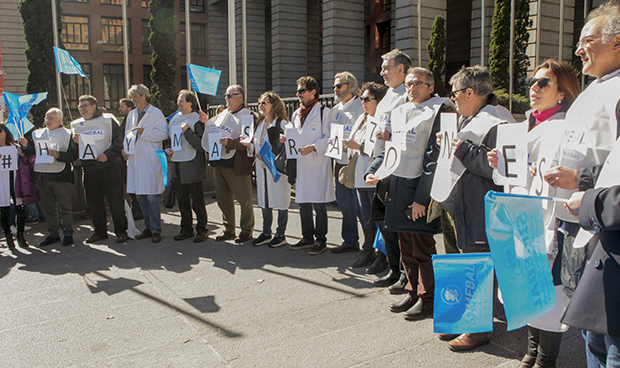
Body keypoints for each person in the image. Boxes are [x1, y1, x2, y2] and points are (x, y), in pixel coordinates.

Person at [487, 59, 581, 368]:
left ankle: (546, 358)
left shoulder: (569, 127)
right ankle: (532, 348)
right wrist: (499, 164)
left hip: (548, 222)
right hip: (521, 219)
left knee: (547, 292)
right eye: (532, 82)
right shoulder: (525, 125)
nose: (534, 88)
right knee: (527, 287)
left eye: (544, 83)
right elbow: (513, 177)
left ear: (562, 93)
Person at [434, 65, 515, 351]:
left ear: (470, 92)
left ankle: (478, 330)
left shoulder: (498, 121)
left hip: (481, 206)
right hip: (460, 202)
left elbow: (500, 170)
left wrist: (462, 149)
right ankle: (461, 317)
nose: (453, 99)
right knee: (462, 262)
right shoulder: (472, 117)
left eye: (455, 93)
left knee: (478, 266)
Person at [558, 2, 620, 366]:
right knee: (589, 329)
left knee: (610, 337)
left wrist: (581, 181)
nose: (579, 49)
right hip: (577, 220)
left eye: (588, 40)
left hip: (606, 226)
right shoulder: (591, 90)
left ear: (616, 43)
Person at [367, 67, 455, 320]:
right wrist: (374, 170)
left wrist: (421, 199)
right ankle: (413, 290)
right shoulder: (401, 111)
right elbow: (392, 149)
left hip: (419, 188)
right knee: (406, 245)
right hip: (397, 186)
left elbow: (433, 158)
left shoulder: (442, 109)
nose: (412, 88)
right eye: (408, 84)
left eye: (418, 83)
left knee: (422, 246)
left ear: (431, 86)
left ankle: (428, 297)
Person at [369, 49, 411, 291]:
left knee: (400, 226)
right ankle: (394, 269)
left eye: (387, 67)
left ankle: (407, 274)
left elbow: (411, 133)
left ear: (401, 69)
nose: (382, 72)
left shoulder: (408, 95)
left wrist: (391, 135)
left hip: (400, 169)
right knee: (386, 223)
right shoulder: (387, 96)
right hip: (383, 166)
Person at [200, 85, 255, 243]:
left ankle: (246, 230)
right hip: (219, 161)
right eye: (226, 96)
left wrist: (230, 142)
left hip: (237, 164)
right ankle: (229, 229)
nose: (227, 99)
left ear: (240, 97)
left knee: (244, 199)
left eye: (230, 96)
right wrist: (206, 123)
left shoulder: (248, 115)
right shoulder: (223, 114)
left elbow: (248, 140)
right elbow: (213, 129)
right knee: (223, 198)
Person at [286, 76, 335, 255]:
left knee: (319, 204)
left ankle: (321, 240)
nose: (298, 94)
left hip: (317, 163)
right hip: (301, 164)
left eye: (301, 91)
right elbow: (294, 135)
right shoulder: (295, 114)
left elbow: (329, 137)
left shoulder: (324, 112)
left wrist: (314, 147)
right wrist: (287, 138)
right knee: (303, 202)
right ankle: (307, 237)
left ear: (313, 92)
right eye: (297, 91)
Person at [71, 95, 128, 243]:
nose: (81, 108)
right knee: (94, 204)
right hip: (89, 169)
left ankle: (121, 231)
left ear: (94, 106)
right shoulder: (76, 124)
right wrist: (75, 142)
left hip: (110, 167)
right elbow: (73, 150)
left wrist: (107, 155)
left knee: (116, 202)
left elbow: (119, 140)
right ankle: (100, 232)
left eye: (85, 105)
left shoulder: (108, 119)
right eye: (80, 106)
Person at [345, 82, 388, 268]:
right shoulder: (362, 118)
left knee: (378, 218)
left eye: (367, 99)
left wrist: (358, 147)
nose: (363, 102)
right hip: (360, 173)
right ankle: (368, 250)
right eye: (362, 98)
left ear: (378, 101)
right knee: (364, 217)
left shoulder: (382, 120)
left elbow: (381, 149)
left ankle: (382, 255)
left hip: (374, 174)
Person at [20, 108, 79, 247]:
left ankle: (68, 233)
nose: (48, 121)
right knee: (48, 208)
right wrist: (24, 145)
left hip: (60, 175)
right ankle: (53, 234)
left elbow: (73, 155)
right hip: (43, 175)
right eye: (47, 118)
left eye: (52, 118)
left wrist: (59, 155)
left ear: (60, 120)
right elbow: (31, 152)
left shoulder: (68, 134)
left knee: (65, 207)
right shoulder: (37, 134)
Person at [123, 84, 168, 243]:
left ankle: (156, 229)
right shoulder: (132, 114)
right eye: (131, 97)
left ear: (144, 96)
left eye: (135, 96)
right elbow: (128, 134)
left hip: (149, 160)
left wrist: (144, 132)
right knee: (140, 197)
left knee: (152, 197)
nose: (133, 100)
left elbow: (164, 133)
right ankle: (148, 227)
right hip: (135, 160)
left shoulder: (156, 113)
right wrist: (125, 149)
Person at [248, 91, 291, 247]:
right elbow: (257, 144)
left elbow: (287, 145)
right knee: (265, 199)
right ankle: (266, 232)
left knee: (281, 199)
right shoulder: (261, 124)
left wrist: (280, 142)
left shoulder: (282, 124)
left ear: (274, 105)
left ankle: (281, 233)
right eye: (260, 103)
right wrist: (249, 146)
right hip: (262, 168)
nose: (261, 106)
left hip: (276, 168)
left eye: (265, 103)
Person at [328, 71, 365, 254]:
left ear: (350, 86)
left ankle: (371, 246)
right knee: (345, 204)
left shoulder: (361, 106)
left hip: (357, 161)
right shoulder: (335, 110)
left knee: (360, 206)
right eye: (334, 86)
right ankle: (350, 240)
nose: (335, 89)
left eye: (339, 85)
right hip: (340, 162)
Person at [165, 90, 209, 243]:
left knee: (197, 200)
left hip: (192, 164)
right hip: (177, 164)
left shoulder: (197, 119)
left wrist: (187, 131)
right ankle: (186, 229)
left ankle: (202, 229)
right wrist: (167, 148)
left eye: (181, 100)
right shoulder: (174, 118)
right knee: (182, 200)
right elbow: (168, 138)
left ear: (190, 103)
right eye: (178, 99)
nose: (178, 102)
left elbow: (200, 145)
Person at [0, 124, 29, 250]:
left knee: (21, 208)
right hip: (2, 182)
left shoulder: (15, 148)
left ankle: (20, 235)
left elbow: (26, 160)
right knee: (4, 210)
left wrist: (22, 153)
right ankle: (8, 237)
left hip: (16, 180)